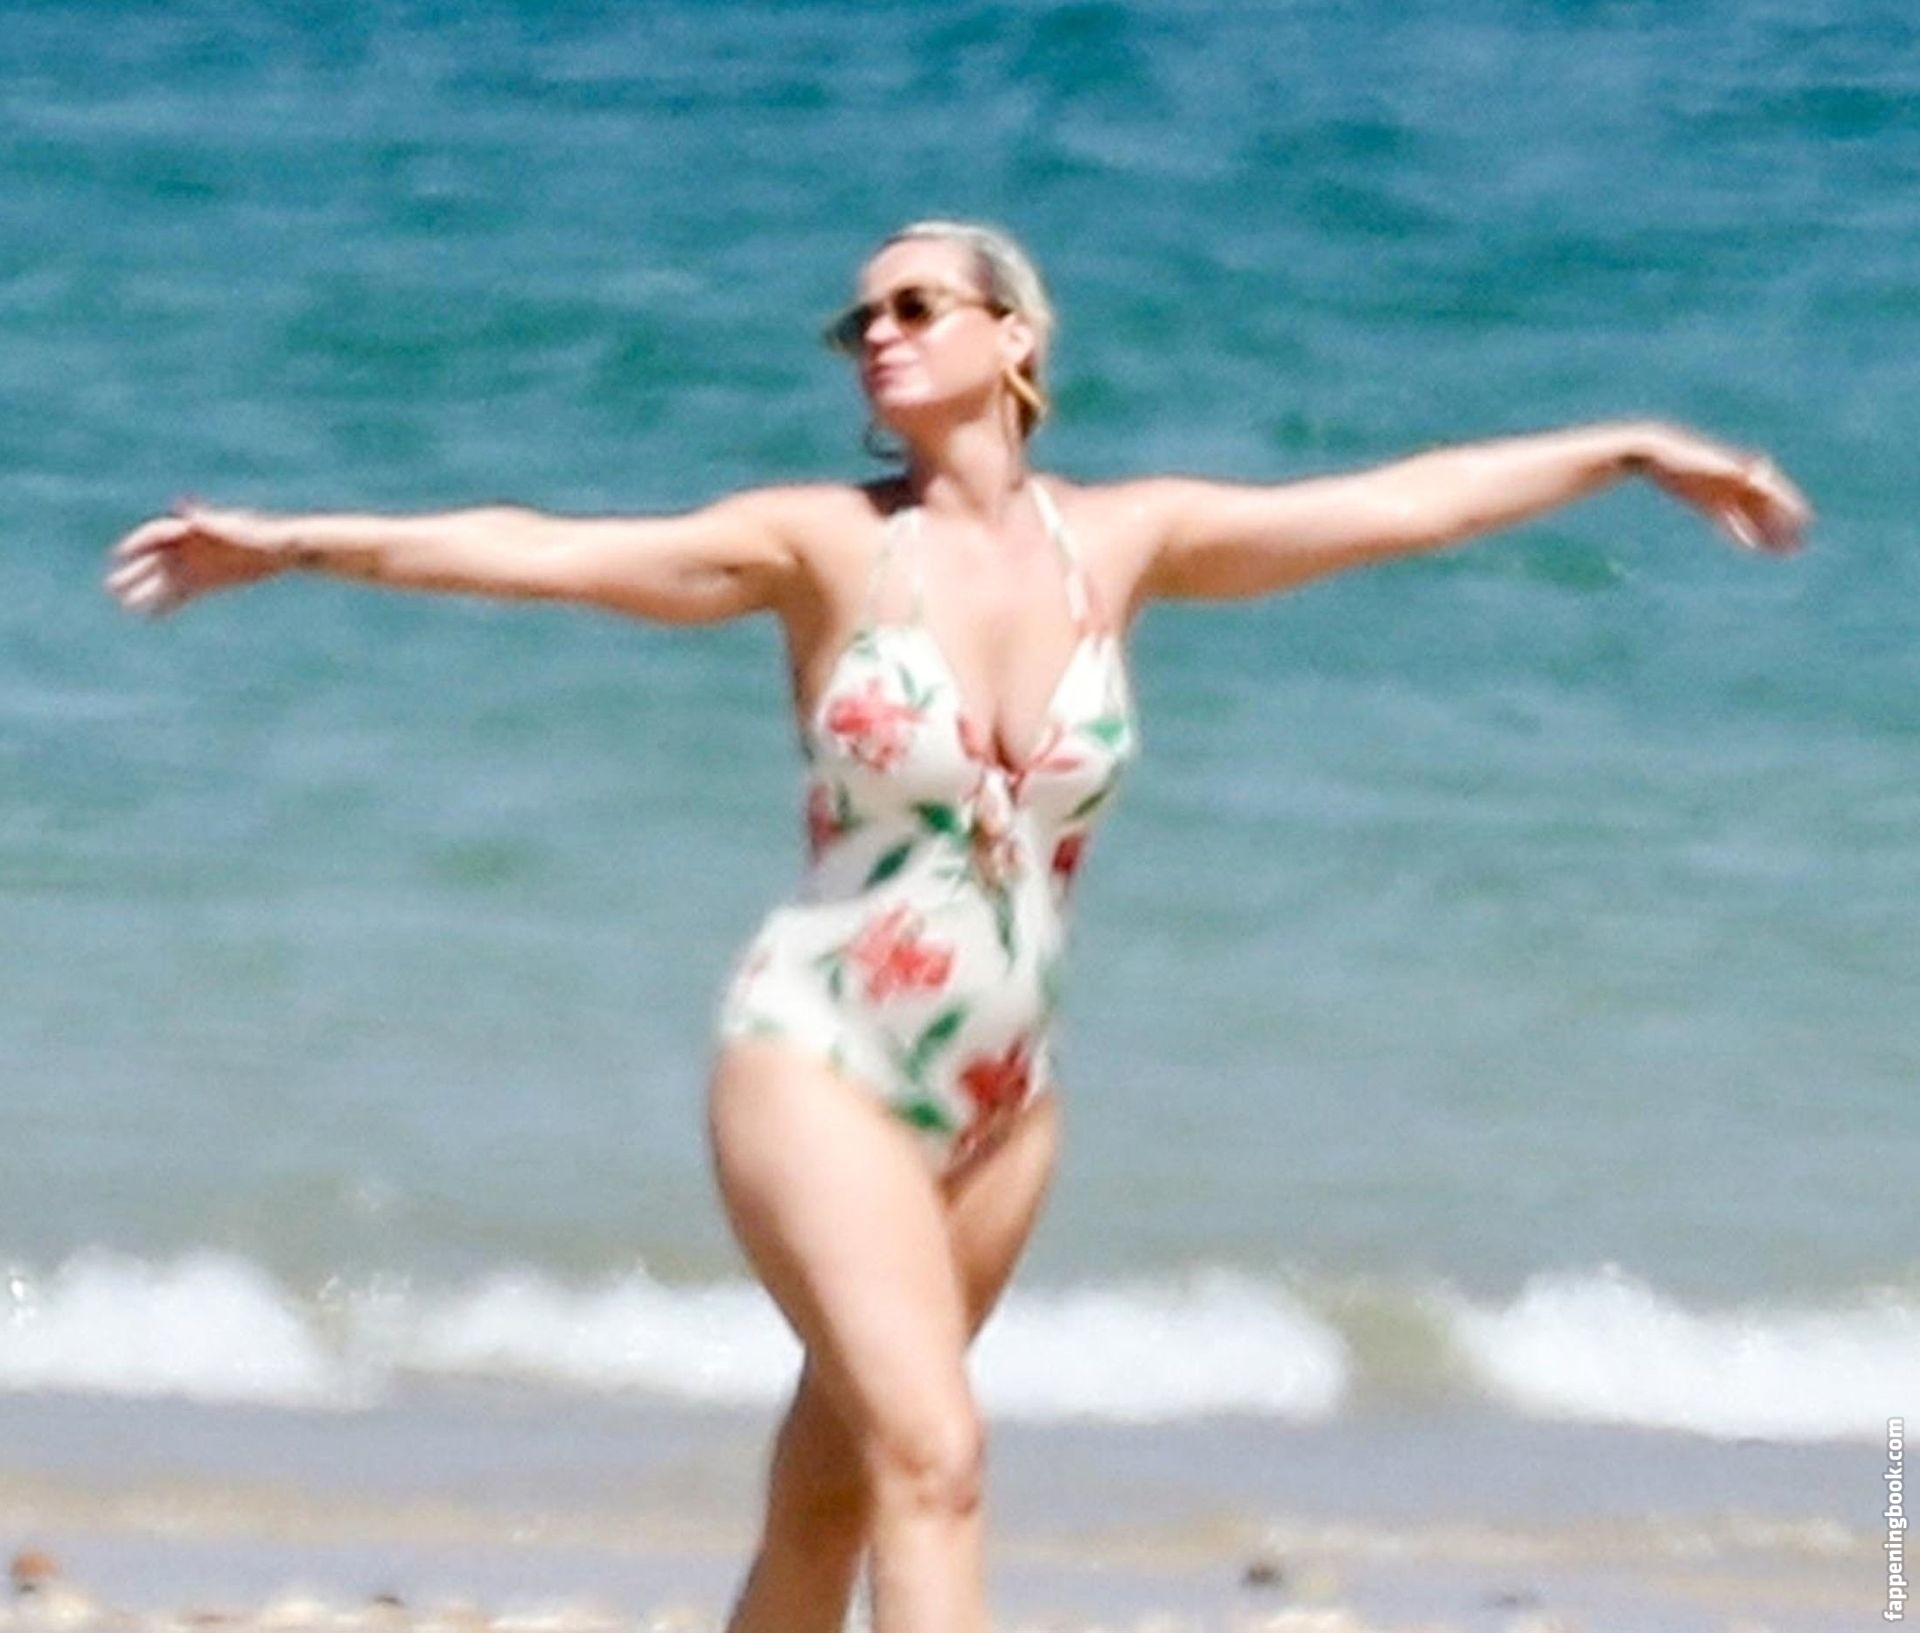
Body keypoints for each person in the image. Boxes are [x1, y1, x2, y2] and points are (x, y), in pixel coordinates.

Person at [105, 218, 1810, 1633]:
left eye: (916, 305)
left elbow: (1396, 503)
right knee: (940, 1457)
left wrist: (1626, 450)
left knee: (832, 1501)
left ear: (1014, 338)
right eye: (860, 319)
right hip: (818, 1056)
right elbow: (551, 549)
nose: (878, 334)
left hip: (1006, 1101)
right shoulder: (822, 546)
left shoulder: (1124, 544)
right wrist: (298, 541)